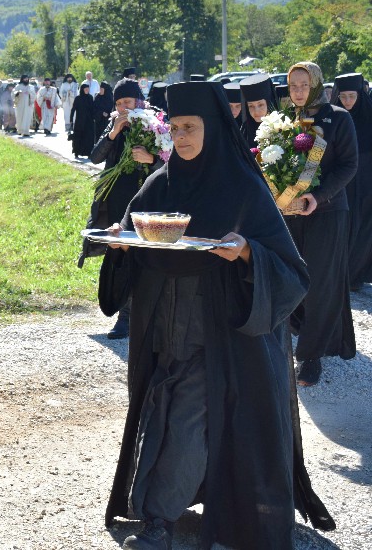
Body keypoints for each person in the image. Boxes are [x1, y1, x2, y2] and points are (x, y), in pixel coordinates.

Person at [99, 79, 335, 550]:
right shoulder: (160, 183)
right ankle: (171, 505)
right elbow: (133, 234)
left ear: (212, 128)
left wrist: (247, 252)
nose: (181, 137)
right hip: (163, 328)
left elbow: (291, 271)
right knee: (161, 414)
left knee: (189, 419)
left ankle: (158, 522)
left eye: (190, 127)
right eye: (175, 128)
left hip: (220, 332)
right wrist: (119, 243)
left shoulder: (244, 188)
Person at [284, 61, 358, 386]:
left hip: (327, 211)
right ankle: (305, 330)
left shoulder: (339, 118)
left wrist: (319, 196)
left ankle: (310, 356)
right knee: (293, 277)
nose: (299, 91)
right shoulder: (287, 120)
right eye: (293, 86)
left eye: (305, 84)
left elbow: (349, 165)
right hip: (292, 212)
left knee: (320, 284)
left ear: (316, 84)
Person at [80, 79, 160, 340]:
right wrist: (113, 132)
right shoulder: (114, 123)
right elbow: (95, 157)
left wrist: (151, 159)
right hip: (117, 200)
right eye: (119, 103)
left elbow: (171, 160)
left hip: (146, 198)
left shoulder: (154, 121)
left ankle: (146, 313)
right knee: (122, 254)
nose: (124, 107)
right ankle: (125, 317)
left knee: (146, 255)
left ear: (139, 101)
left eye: (128, 102)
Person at [331, 72, 372, 289]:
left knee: (364, 229)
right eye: (343, 96)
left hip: (366, 185)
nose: (347, 101)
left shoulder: (369, 117)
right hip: (341, 184)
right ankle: (340, 274)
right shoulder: (332, 119)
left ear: (359, 95)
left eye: (352, 96)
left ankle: (355, 275)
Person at [239, 73, 278, 147]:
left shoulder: (281, 129)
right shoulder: (244, 133)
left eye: (260, 105)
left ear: (269, 104)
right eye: (251, 106)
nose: (256, 111)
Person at [69, 82, 96, 158]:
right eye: (85, 89)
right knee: (78, 137)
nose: (87, 90)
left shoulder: (90, 97)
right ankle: (76, 152)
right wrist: (71, 119)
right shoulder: (78, 98)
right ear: (82, 89)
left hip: (89, 121)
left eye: (88, 89)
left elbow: (92, 109)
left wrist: (94, 118)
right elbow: (73, 109)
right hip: (79, 121)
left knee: (88, 137)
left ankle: (88, 153)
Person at [93, 80, 114, 146]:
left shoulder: (110, 98)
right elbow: (94, 108)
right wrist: (101, 113)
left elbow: (112, 108)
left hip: (107, 121)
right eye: (100, 89)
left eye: (102, 89)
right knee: (98, 136)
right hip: (98, 120)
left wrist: (108, 114)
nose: (100, 90)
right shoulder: (97, 97)